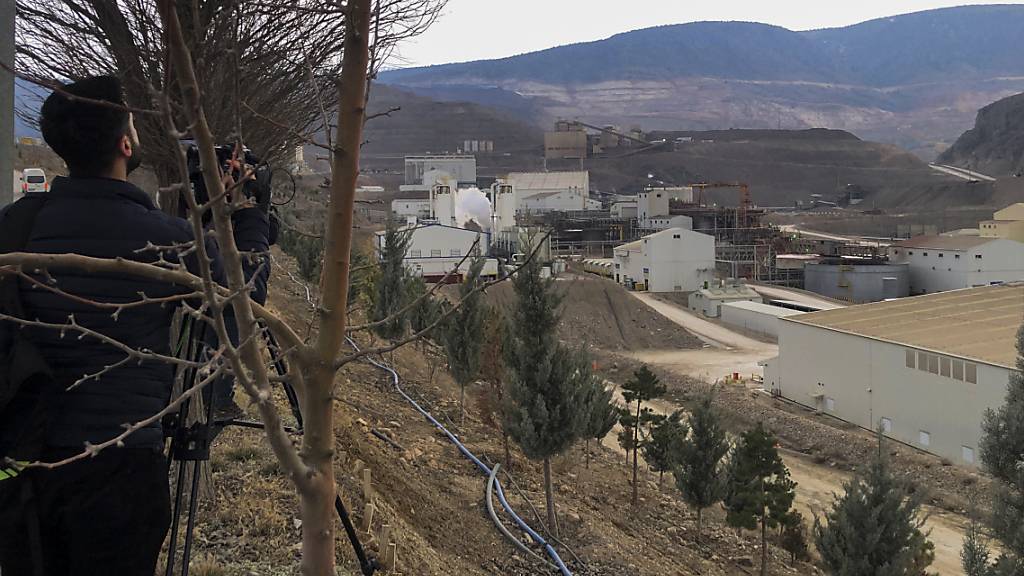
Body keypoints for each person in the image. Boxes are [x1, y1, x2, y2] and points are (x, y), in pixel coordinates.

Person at [0, 76, 271, 575]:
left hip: (23, 465)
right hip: (121, 466)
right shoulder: (166, 239)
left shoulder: (13, 226)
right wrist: (251, 211)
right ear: (125, 144)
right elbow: (245, 298)